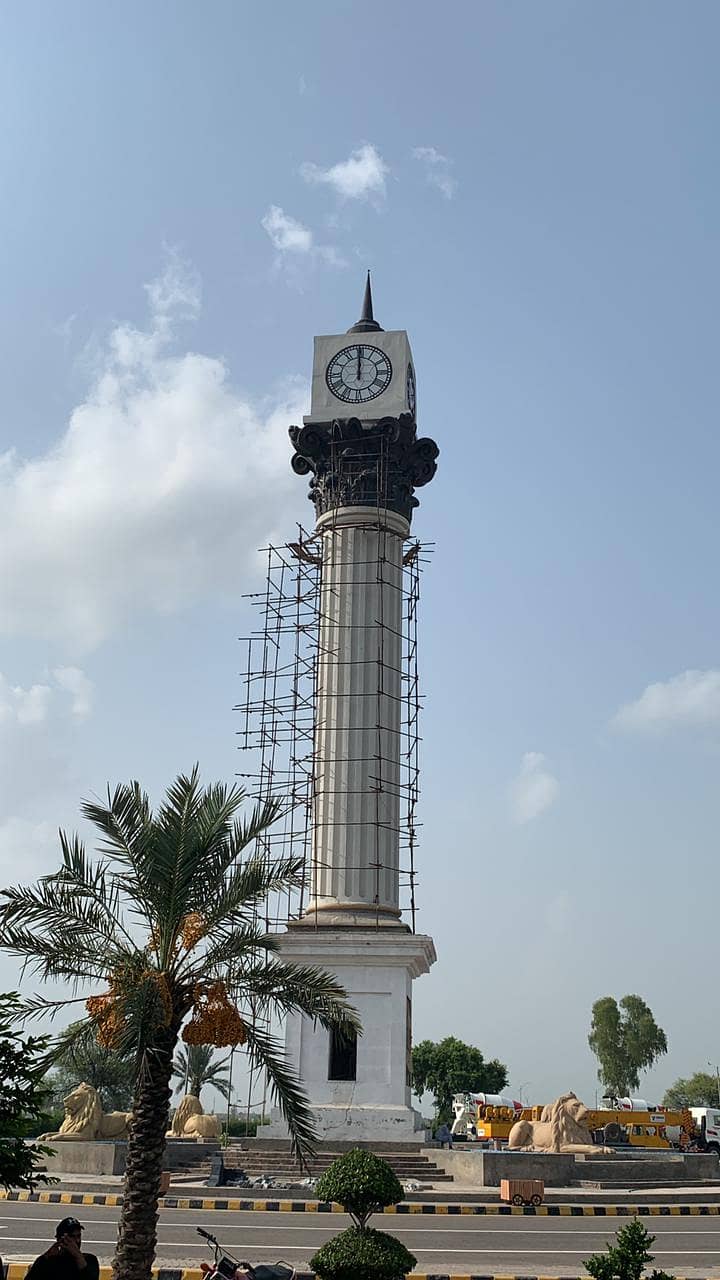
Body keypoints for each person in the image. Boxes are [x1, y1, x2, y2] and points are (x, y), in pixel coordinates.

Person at [25, 1218, 99, 1280]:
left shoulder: (89, 1260)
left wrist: (78, 1256)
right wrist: (45, 1258)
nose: (77, 1241)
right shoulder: (49, 1262)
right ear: (61, 1239)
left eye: (79, 1236)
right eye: (72, 1237)